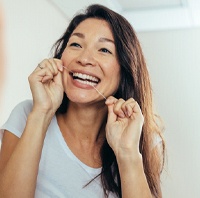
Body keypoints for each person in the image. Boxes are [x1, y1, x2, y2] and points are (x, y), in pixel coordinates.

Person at [0, 4, 165, 198]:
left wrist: (127, 153)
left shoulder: (145, 140)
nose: (85, 58)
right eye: (76, 45)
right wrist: (42, 113)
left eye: (104, 50)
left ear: (125, 69)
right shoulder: (28, 114)